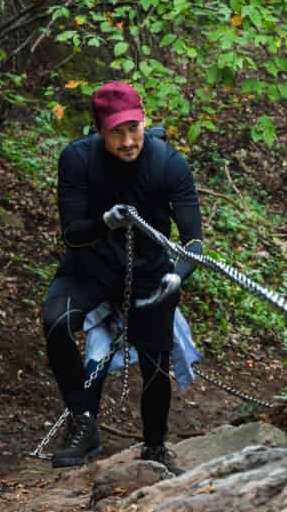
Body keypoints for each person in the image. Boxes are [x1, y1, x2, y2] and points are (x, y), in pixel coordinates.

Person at [41, 80, 202, 472]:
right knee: (56, 322)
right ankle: (84, 422)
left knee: (155, 359)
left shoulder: (168, 163)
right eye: (116, 132)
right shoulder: (78, 160)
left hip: (149, 272)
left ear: (144, 120)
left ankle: (154, 444)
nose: (128, 141)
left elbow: (193, 241)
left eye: (134, 128)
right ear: (99, 131)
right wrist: (105, 222)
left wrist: (178, 276)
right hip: (89, 268)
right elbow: (72, 233)